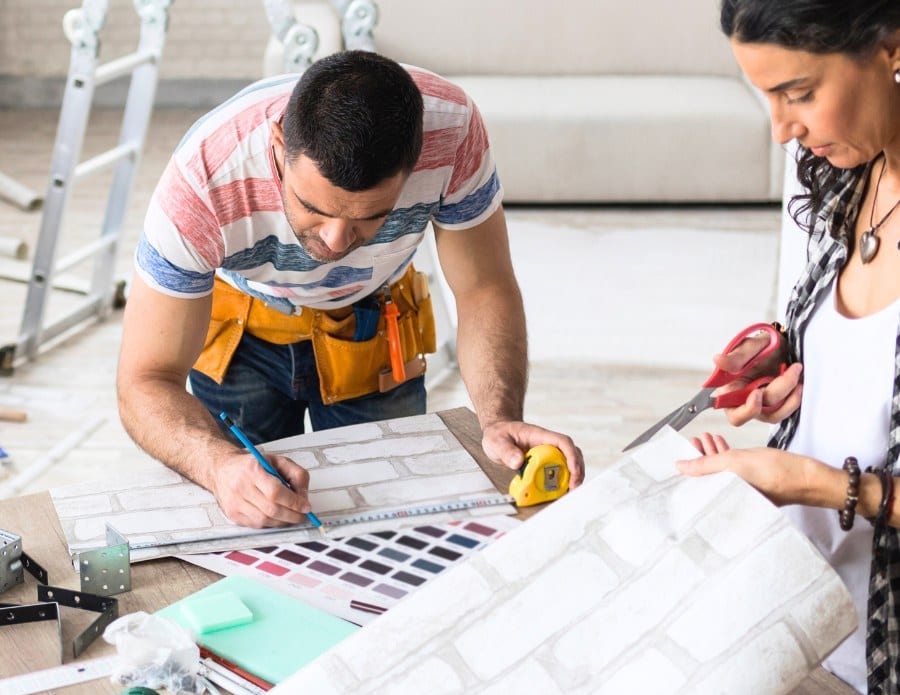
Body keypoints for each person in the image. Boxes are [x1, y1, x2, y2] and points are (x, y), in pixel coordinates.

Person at [117, 50, 583, 529]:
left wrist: (499, 418)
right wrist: (216, 465)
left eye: (371, 218)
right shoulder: (202, 181)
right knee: (250, 515)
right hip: (241, 333)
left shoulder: (452, 133)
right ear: (278, 145)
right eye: (312, 208)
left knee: (393, 520)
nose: (336, 242)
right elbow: (145, 380)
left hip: (374, 323)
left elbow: (484, 287)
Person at [675, 0, 900, 695]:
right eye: (765, 97)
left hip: (885, 682)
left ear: (893, 47)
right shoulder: (853, 178)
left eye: (799, 93)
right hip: (806, 643)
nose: (780, 131)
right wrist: (797, 371)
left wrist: (811, 482)